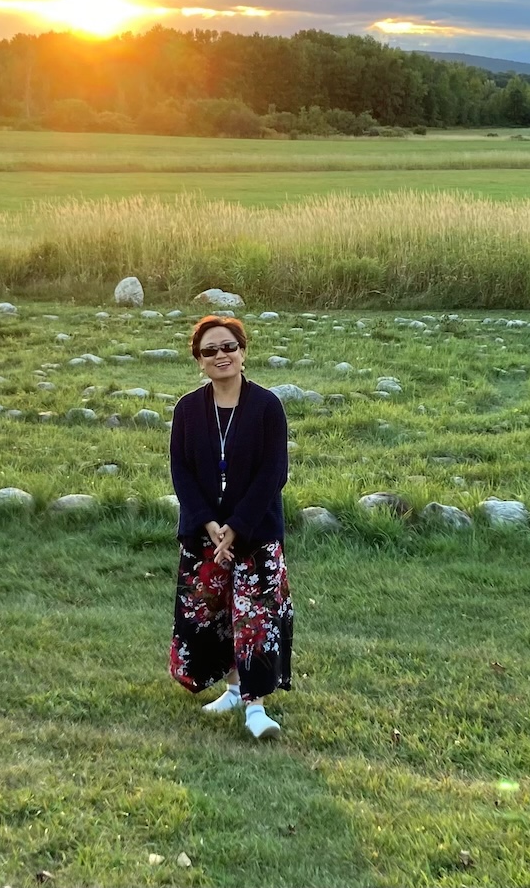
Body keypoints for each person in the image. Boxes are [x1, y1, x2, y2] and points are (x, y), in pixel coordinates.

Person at [166, 314, 293, 739]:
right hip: (205, 533)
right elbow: (181, 471)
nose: (221, 355)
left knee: (254, 615)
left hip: (255, 531)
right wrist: (210, 524)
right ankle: (233, 690)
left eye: (228, 347)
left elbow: (274, 471)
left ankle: (256, 707)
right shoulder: (187, 408)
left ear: (243, 351)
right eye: (210, 351)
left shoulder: (267, 406)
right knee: (216, 614)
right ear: (199, 360)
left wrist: (236, 527)